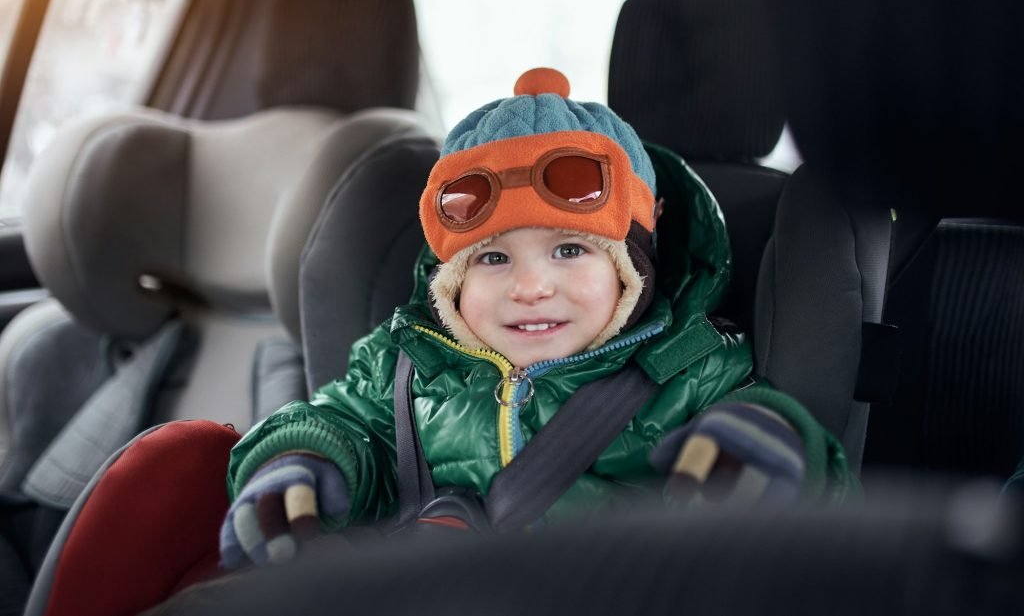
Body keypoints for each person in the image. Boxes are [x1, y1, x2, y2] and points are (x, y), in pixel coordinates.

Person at [219, 67, 858, 568]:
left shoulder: (693, 367)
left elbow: (810, 502)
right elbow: (337, 420)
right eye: (493, 257)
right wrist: (298, 460)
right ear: (453, 281)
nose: (529, 286)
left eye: (571, 250)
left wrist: (773, 450)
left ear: (632, 266)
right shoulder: (406, 364)